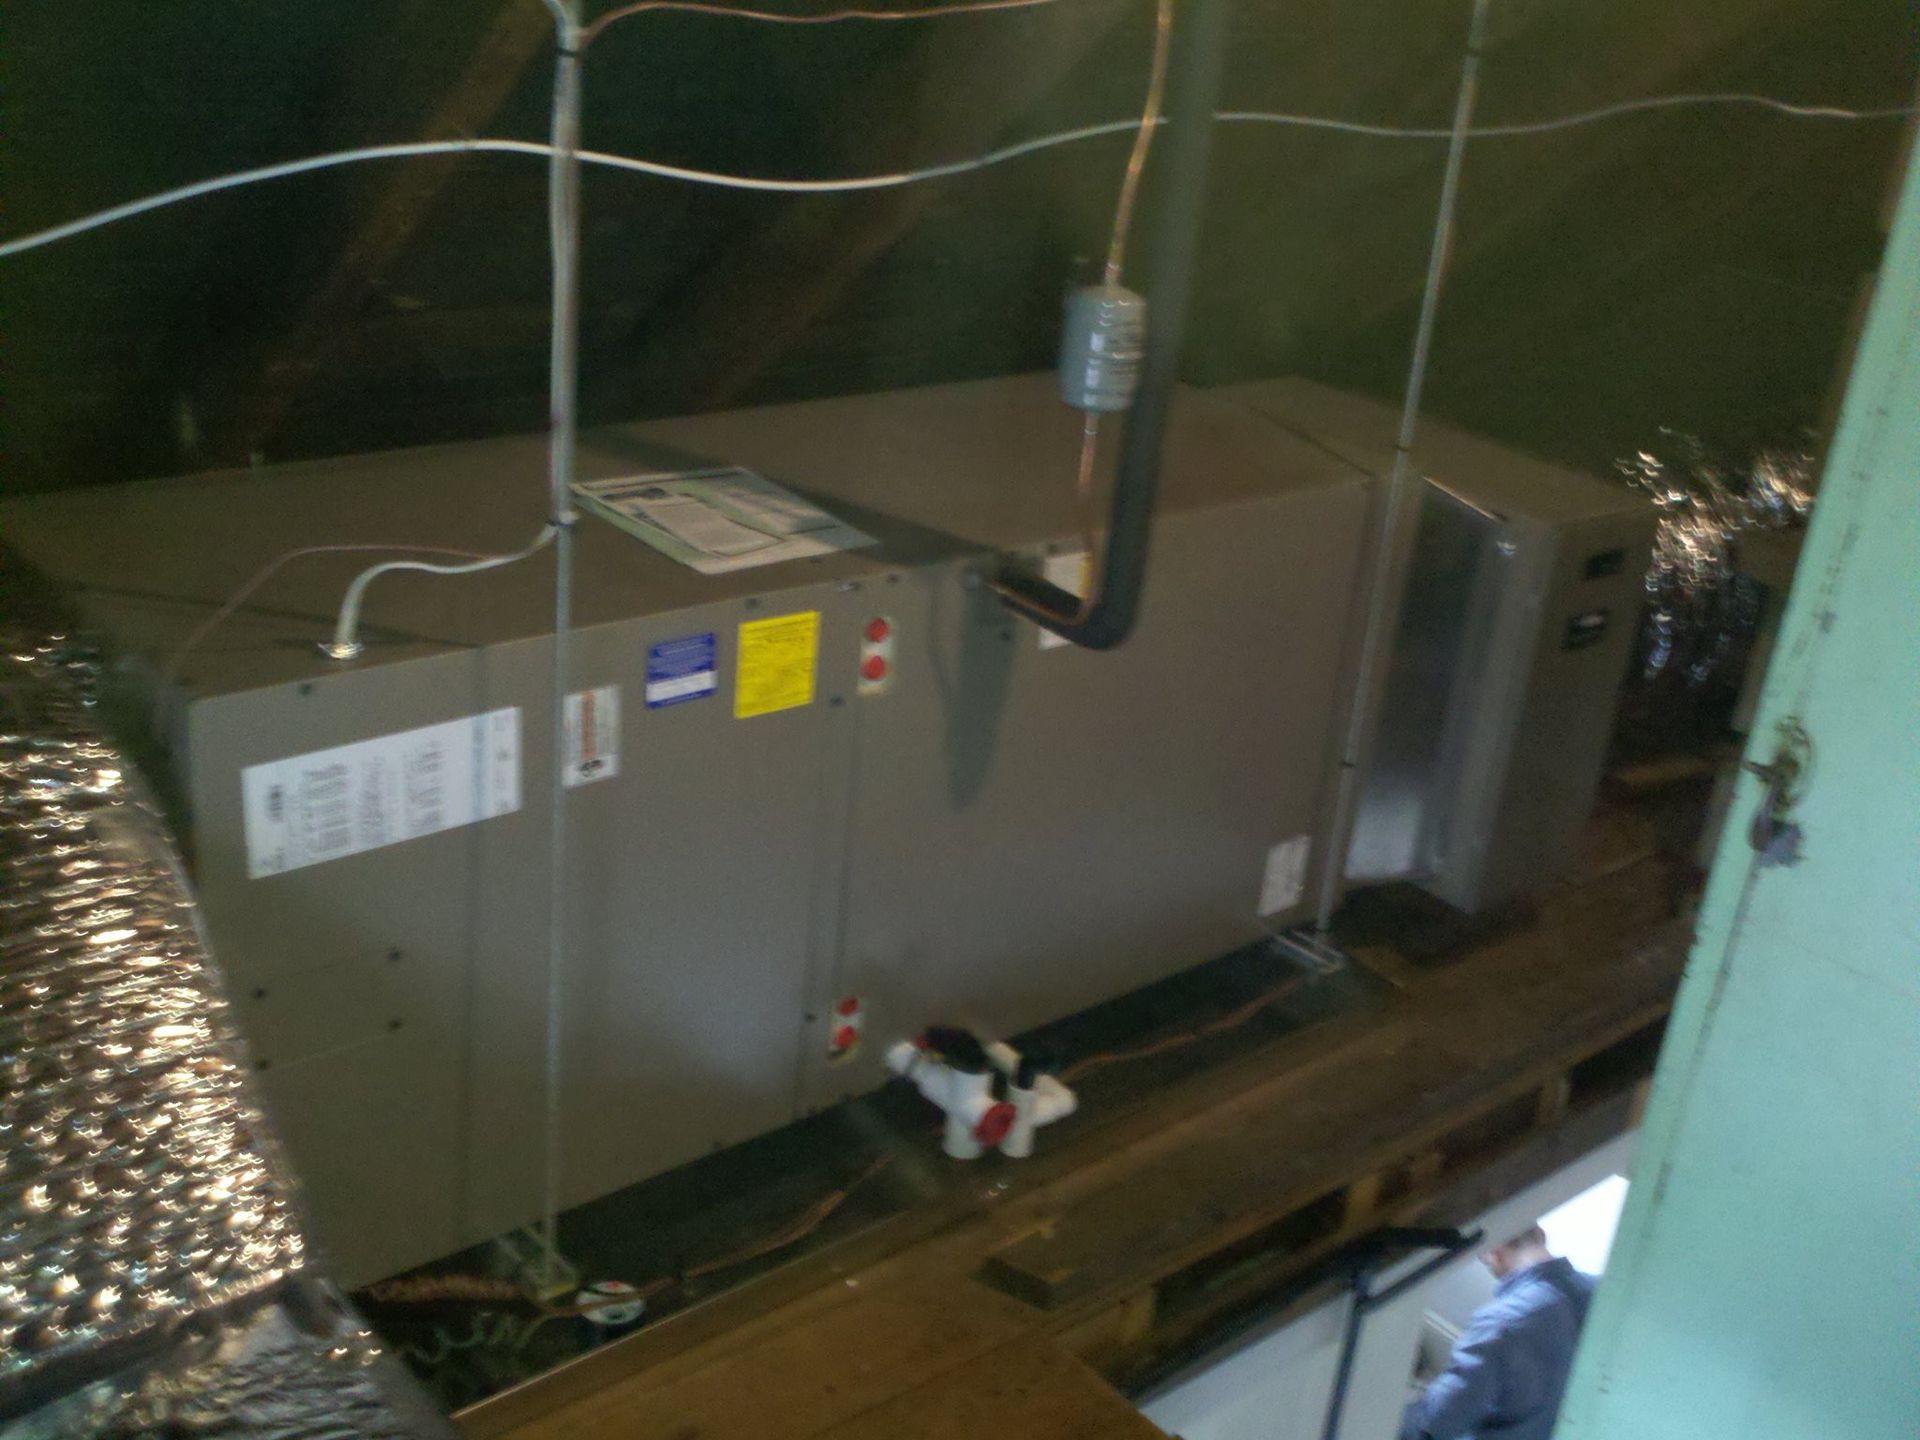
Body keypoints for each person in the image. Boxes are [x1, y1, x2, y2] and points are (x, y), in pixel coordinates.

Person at [1399, 1224, 1595, 1440]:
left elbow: (1438, 1421)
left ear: (1495, 1251)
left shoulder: (1501, 1321)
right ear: (1541, 1234)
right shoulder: (1603, 1293)